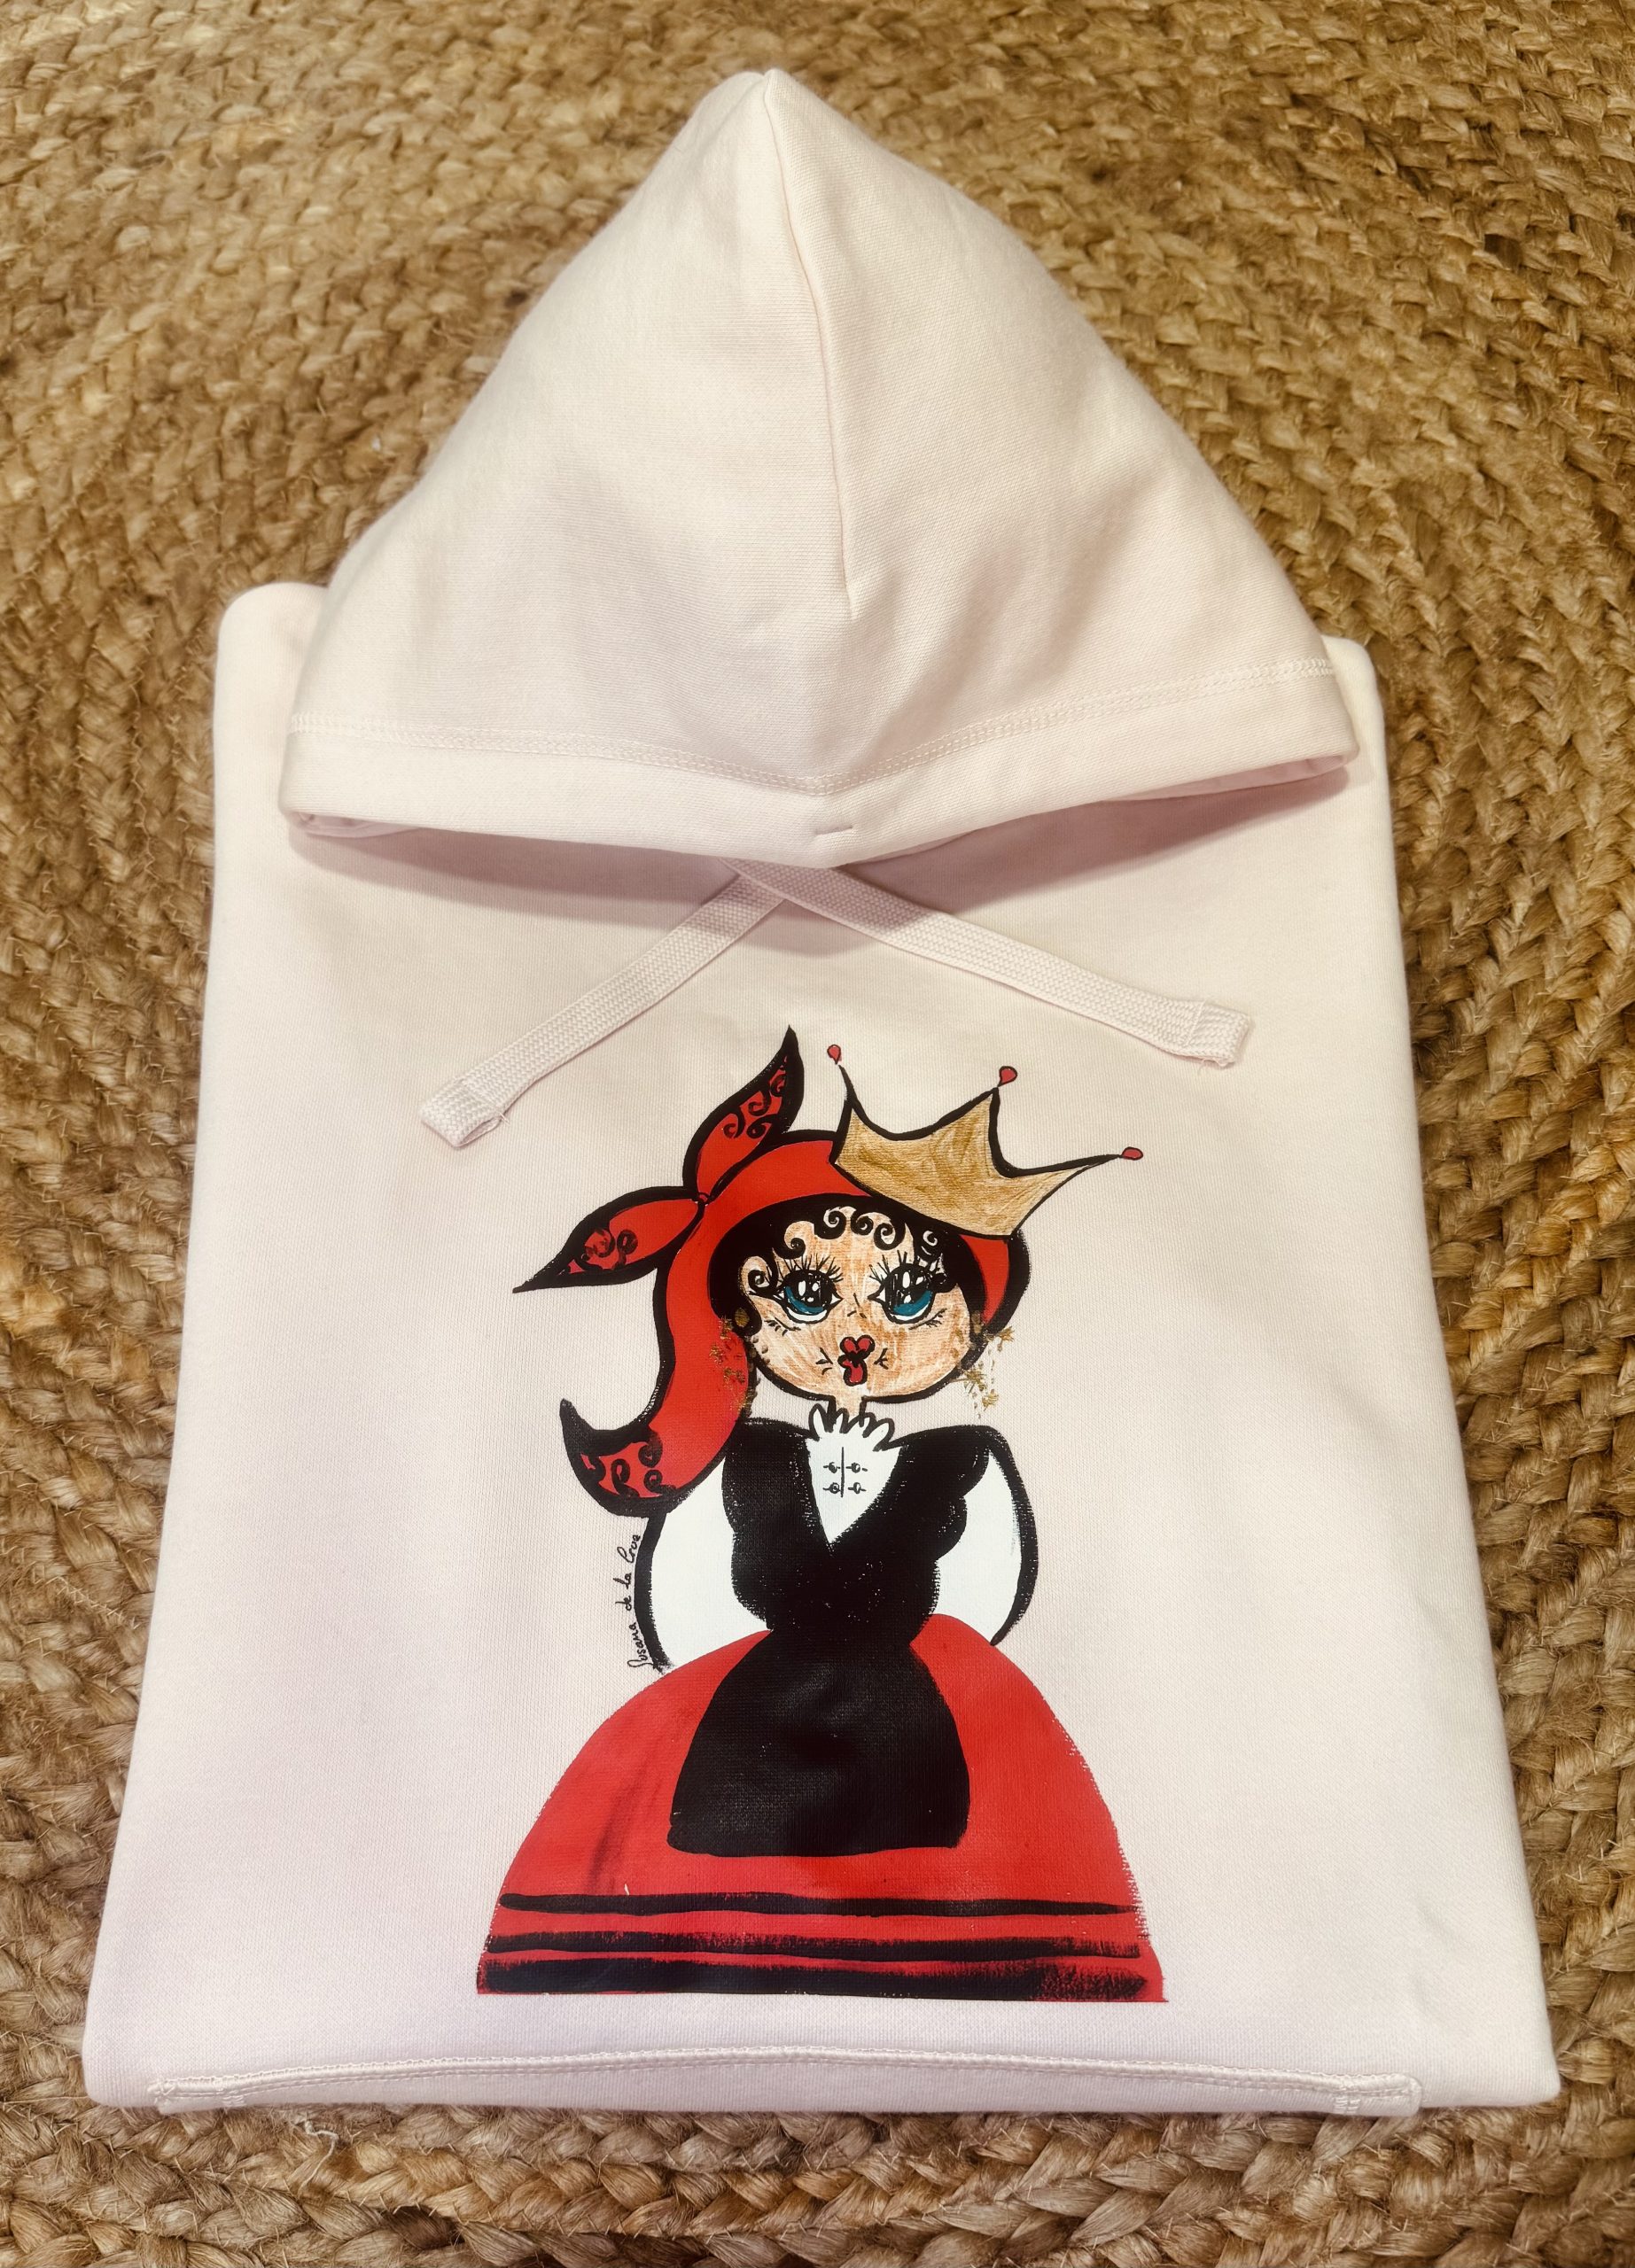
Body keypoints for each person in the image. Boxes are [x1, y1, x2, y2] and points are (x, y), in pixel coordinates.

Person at [479, 1032, 1163, 2000]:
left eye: (911, 1299)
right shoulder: (743, 1456)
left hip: (916, 1715)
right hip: (748, 1726)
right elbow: (677, 1605)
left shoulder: (963, 1458)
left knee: (949, 1880)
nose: (857, 1335)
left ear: (971, 1325)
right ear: (744, 1313)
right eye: (806, 1294)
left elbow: (992, 1593)